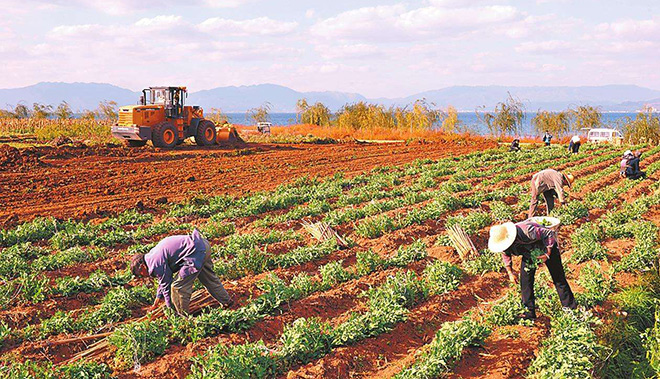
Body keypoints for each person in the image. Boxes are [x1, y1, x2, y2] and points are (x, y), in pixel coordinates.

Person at [131, 229, 233, 315]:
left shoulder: (154, 263)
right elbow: (162, 281)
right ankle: (226, 301)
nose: (144, 276)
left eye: (141, 275)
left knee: (177, 287)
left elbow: (166, 286)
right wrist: (157, 300)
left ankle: (182, 317)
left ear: (142, 267)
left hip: (195, 253)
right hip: (202, 245)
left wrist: (170, 310)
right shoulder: (152, 256)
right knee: (209, 279)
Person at [488, 220, 577, 320]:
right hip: (529, 253)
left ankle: (570, 309)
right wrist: (510, 272)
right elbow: (505, 254)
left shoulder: (527, 231)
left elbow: (549, 233)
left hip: (546, 247)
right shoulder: (505, 244)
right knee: (525, 282)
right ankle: (529, 312)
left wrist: (547, 253)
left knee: (558, 278)